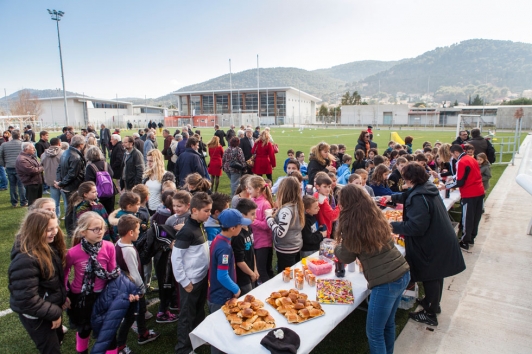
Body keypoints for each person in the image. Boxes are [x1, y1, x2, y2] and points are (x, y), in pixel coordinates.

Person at [387, 163, 466, 327]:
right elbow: (409, 195)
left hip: (433, 242)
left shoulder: (419, 197)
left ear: (410, 178)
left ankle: (430, 313)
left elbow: (416, 227)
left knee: (431, 275)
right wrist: (393, 198)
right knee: (437, 274)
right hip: (439, 238)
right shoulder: (425, 187)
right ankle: (432, 303)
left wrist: (391, 226)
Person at [335, 184, 410, 354]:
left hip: (386, 281)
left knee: (374, 333)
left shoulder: (351, 223)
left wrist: (336, 247)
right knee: (387, 324)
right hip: (401, 272)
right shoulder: (374, 214)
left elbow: (346, 256)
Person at [8, 210, 67, 354]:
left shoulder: (46, 245)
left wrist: (63, 297)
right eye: (49, 229)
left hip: (48, 307)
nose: (55, 232)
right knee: (50, 349)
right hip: (37, 316)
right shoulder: (26, 259)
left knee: (56, 341)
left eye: (56, 227)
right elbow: (26, 300)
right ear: (36, 230)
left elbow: (52, 280)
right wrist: (54, 313)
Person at [65, 212, 121, 354]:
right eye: (95, 229)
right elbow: (64, 277)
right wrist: (65, 295)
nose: (100, 232)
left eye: (102, 228)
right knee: (84, 329)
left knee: (109, 332)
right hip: (81, 298)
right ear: (83, 232)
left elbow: (112, 273)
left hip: (103, 297)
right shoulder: (72, 253)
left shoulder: (109, 247)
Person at [171, 192, 212, 354]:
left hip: (201, 279)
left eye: (210, 210)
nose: (209, 214)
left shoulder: (199, 225)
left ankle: (197, 339)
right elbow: (176, 258)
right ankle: (184, 348)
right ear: (194, 210)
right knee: (187, 316)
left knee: (198, 311)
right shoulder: (187, 231)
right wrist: (185, 281)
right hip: (190, 282)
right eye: (206, 211)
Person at [115, 215, 160, 351]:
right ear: (131, 232)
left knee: (139, 312)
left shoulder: (118, 243)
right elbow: (134, 273)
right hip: (134, 289)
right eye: (138, 230)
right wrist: (141, 290)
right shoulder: (128, 250)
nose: (139, 232)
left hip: (126, 287)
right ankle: (120, 345)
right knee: (130, 317)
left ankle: (143, 333)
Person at [444, 145, 485, 250]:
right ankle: (471, 238)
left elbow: (460, 182)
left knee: (467, 218)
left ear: (456, 153)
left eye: (452, 155)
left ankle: (465, 241)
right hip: (479, 190)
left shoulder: (461, 162)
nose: (452, 157)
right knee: (476, 217)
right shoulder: (472, 158)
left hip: (470, 193)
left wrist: (446, 186)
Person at [266, 176, 304, 271]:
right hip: (295, 245)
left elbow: (280, 232)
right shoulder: (297, 204)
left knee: (286, 274)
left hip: (286, 248)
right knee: (294, 271)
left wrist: (269, 218)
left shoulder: (286, 210)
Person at [247, 176, 274, 283]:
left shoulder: (265, 204)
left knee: (262, 269)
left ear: (258, 189)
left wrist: (253, 221)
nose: (248, 191)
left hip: (263, 242)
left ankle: (268, 291)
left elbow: (267, 225)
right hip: (254, 241)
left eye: (250, 188)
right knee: (258, 268)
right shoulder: (251, 200)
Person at [233, 198, 259, 294]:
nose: (255, 217)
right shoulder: (238, 235)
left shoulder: (249, 228)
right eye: (252, 214)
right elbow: (239, 261)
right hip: (243, 277)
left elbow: (252, 251)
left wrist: (255, 270)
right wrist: (251, 273)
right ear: (243, 216)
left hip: (252, 271)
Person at [84, 146, 117, 215]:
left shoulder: (90, 167)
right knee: (110, 211)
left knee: (99, 212)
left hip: (98, 193)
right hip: (110, 191)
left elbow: (89, 181)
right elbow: (112, 174)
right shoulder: (106, 164)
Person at [56, 135, 86, 207]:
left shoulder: (66, 152)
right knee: (73, 208)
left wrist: (59, 180)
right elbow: (72, 174)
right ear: (81, 144)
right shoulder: (76, 156)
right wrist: (61, 183)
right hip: (73, 187)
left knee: (69, 207)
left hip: (66, 185)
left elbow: (59, 168)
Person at [0, 130, 27, 207]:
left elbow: (0, 156)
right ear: (19, 136)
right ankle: (23, 202)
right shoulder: (22, 144)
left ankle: (14, 202)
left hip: (9, 166)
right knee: (21, 185)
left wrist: (4, 164)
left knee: (12, 185)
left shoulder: (4, 145)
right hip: (20, 167)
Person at [41, 138, 65, 217]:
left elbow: (42, 165)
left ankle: (55, 219)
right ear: (59, 143)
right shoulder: (63, 153)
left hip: (51, 180)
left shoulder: (43, 154)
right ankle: (69, 220)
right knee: (67, 202)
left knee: (55, 203)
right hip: (63, 181)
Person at [15, 142, 44, 206]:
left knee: (38, 203)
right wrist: (42, 168)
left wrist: (40, 167)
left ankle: (37, 215)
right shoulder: (22, 159)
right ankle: (32, 215)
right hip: (31, 183)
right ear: (26, 149)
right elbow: (31, 171)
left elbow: (37, 166)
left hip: (37, 182)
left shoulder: (31, 156)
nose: (34, 149)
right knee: (32, 204)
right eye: (32, 148)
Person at [313, 173, 340, 238]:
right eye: (325, 186)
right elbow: (332, 216)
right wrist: (339, 205)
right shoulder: (323, 201)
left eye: (329, 186)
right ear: (317, 187)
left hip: (317, 227)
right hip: (324, 229)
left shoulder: (316, 195)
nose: (328, 189)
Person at [143, 149, 167, 215]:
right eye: (147, 160)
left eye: (151, 161)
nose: (148, 163)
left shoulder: (166, 176)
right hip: (147, 209)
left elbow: (169, 197)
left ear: (157, 161)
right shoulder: (147, 175)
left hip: (160, 211)